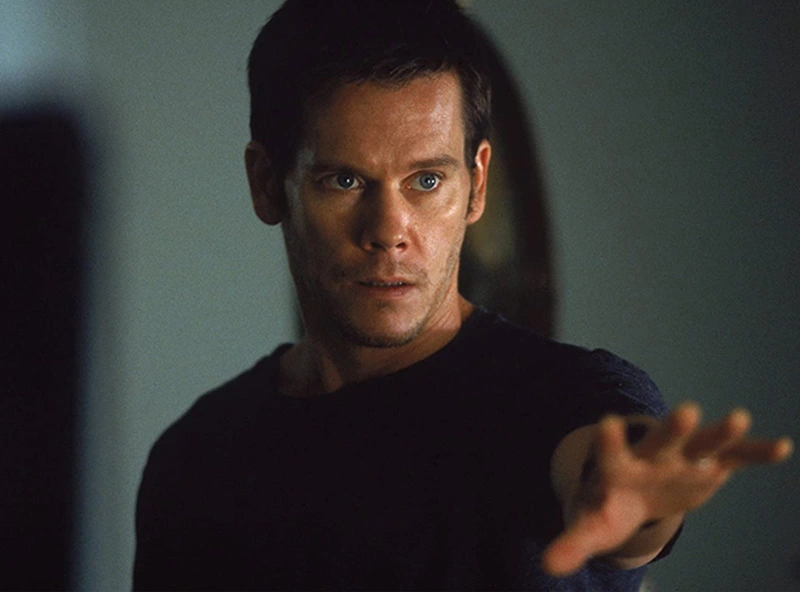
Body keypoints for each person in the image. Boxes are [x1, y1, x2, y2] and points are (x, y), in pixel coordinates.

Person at [133, 1, 793, 590]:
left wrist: (633, 502)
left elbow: (600, 466)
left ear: (476, 186)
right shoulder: (197, 460)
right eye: (344, 181)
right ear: (266, 183)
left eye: (426, 181)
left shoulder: (560, 399)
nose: (390, 231)